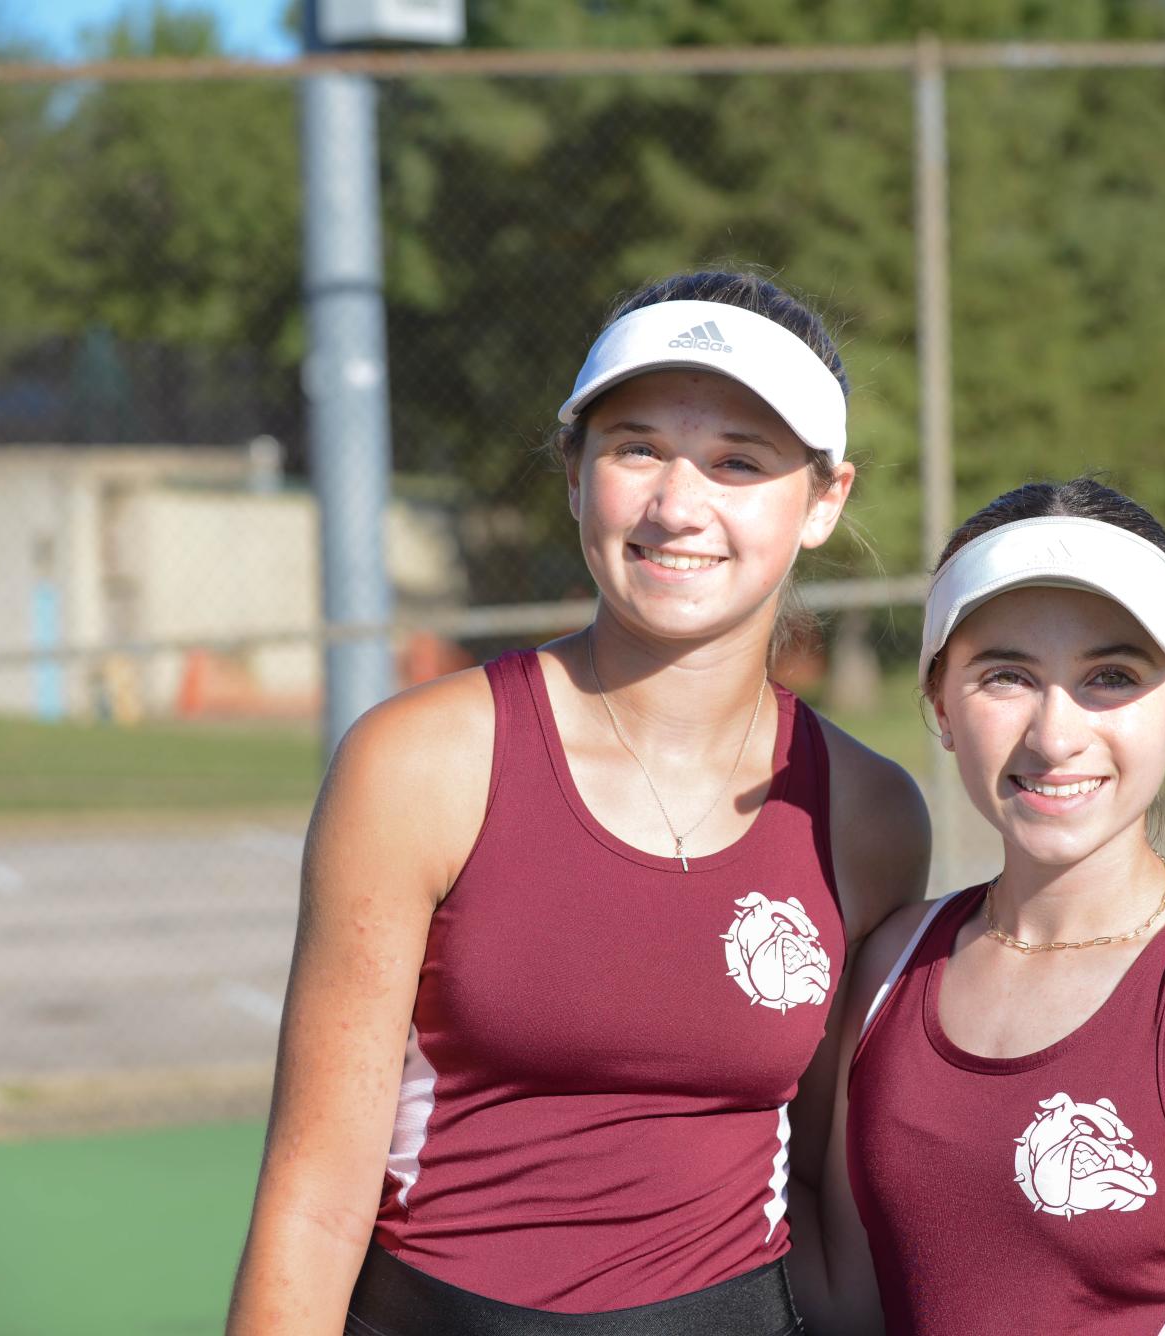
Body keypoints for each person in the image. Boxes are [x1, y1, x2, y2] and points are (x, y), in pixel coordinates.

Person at [226, 271, 929, 1335]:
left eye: (739, 462)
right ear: (574, 471)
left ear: (824, 500)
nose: (677, 506)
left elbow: (833, 1198)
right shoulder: (421, 762)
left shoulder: (869, 815)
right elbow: (315, 1200)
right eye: (637, 448)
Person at [823, 478, 1165, 1335]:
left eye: (1110, 677)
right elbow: (844, 1307)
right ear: (938, 703)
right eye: (1005, 676)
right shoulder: (886, 969)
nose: (1054, 735)